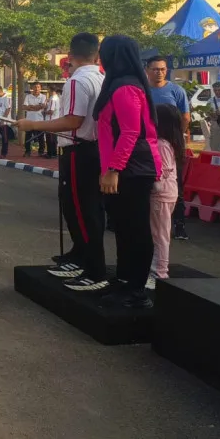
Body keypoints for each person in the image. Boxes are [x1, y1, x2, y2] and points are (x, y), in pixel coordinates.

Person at [17, 33, 105, 290]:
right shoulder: (101, 77)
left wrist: (32, 124)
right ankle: (79, 255)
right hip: (93, 150)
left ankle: (93, 269)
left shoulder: (78, 81)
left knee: (81, 210)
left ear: (70, 55)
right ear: (96, 55)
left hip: (80, 150)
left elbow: (73, 121)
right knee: (80, 207)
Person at [94, 35, 161, 309]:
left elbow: (131, 131)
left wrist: (113, 169)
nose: (101, 58)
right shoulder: (119, 86)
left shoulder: (126, 88)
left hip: (132, 167)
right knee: (122, 226)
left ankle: (136, 290)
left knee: (135, 228)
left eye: (103, 53)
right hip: (123, 167)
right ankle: (125, 282)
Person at [145, 56, 190, 241]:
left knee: (174, 184)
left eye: (163, 69)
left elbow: (185, 117)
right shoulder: (142, 89)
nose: (159, 72)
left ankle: (179, 224)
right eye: (155, 69)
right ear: (147, 70)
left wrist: (176, 139)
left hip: (170, 146)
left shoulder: (176, 91)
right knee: (148, 184)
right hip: (146, 146)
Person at [151, 103, 185, 287]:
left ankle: (159, 273)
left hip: (160, 194)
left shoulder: (161, 144)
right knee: (159, 233)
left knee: (159, 235)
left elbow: (160, 171)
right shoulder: (170, 143)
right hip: (167, 193)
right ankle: (156, 269)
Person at [22, 82, 47, 157]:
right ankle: (27, 151)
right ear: (32, 88)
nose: (36, 89)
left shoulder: (43, 97)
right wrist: (36, 107)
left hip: (39, 120)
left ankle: (41, 151)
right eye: (35, 87)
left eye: (38, 87)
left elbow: (42, 106)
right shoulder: (28, 97)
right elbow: (24, 107)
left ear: (40, 88)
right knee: (28, 137)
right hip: (29, 121)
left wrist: (30, 107)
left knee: (41, 137)